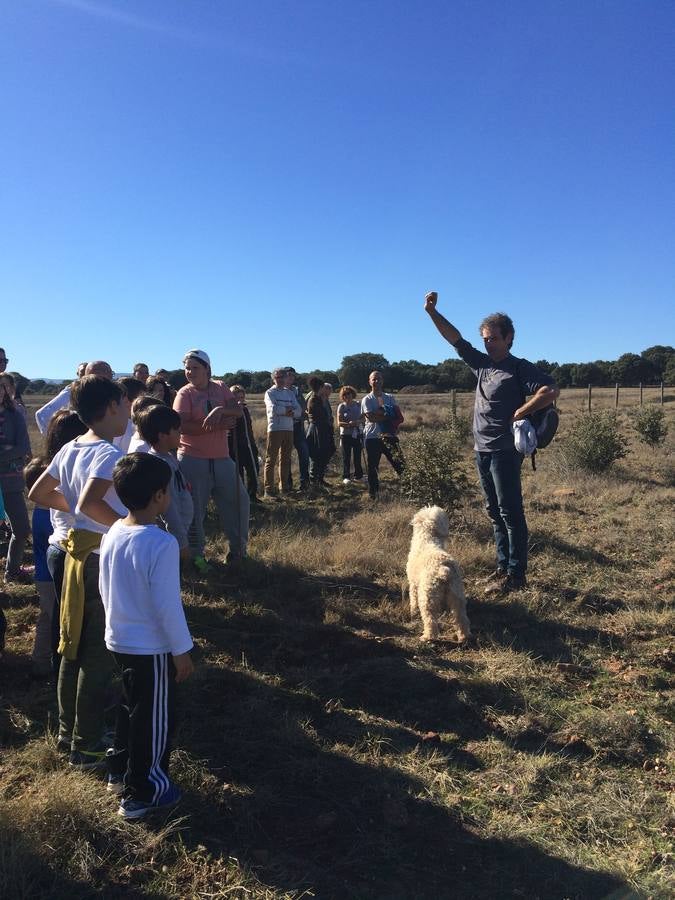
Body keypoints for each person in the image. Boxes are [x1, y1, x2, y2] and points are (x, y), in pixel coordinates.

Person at [424, 291, 559, 593]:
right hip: (481, 450)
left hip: (505, 451)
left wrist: (522, 411)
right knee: (494, 511)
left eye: (494, 338)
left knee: (510, 511)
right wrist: (432, 312)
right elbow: (455, 339)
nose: (488, 343)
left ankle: (516, 575)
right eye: (485, 339)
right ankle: (502, 568)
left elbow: (550, 390)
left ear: (509, 338)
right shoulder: (482, 365)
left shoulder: (519, 367)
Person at [28, 376, 130, 768]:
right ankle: (87, 746)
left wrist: (69, 505)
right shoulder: (106, 452)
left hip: (69, 554)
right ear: (110, 407)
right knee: (96, 653)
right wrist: (126, 525)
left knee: (69, 646)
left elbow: (38, 493)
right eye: (123, 406)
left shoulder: (71, 446)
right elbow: (91, 504)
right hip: (94, 558)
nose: (126, 415)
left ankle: (68, 732)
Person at [101, 453, 193, 819]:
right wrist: (181, 651)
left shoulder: (113, 532)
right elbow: (167, 605)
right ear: (159, 496)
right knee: (152, 718)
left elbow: (106, 586)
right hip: (150, 648)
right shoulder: (161, 544)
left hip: (119, 639)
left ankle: (119, 772)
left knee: (131, 708)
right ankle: (145, 791)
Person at [173, 349, 248, 568]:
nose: (189, 372)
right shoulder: (184, 394)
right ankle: (196, 556)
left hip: (222, 458)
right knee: (194, 511)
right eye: (187, 368)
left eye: (195, 368)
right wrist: (217, 425)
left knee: (238, 503)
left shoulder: (220, 387)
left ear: (207, 368)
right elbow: (181, 426)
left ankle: (239, 552)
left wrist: (219, 410)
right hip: (192, 459)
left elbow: (237, 411)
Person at [137, 404, 194, 557]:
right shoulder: (162, 467)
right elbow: (170, 511)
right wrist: (182, 544)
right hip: (172, 537)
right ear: (162, 435)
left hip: (179, 530)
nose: (180, 433)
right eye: (176, 430)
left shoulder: (169, 458)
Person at [0, 373, 32, 581]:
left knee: (21, 529)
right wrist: (9, 449)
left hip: (10, 480)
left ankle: (11, 572)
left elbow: (24, 447)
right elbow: (16, 448)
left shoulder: (15, 416)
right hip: (9, 470)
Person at [361, 371, 405, 500]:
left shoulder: (390, 397)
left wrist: (381, 414)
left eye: (379, 379)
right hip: (372, 437)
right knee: (373, 467)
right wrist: (387, 414)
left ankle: (410, 488)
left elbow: (396, 415)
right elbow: (371, 418)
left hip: (389, 436)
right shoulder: (367, 399)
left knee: (400, 463)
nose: (376, 381)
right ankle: (373, 494)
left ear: (382, 381)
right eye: (374, 379)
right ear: (370, 382)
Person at [262, 368, 301, 499]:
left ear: (286, 378)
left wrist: (286, 411)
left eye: (282, 377)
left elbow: (299, 411)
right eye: (277, 377)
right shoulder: (270, 392)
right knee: (270, 460)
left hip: (289, 429)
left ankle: (284, 488)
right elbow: (273, 409)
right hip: (275, 429)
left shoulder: (289, 393)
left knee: (285, 460)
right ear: (273, 379)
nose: (280, 380)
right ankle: (268, 490)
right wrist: (289, 410)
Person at [228, 385, 260, 503]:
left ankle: (252, 495)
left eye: (241, 397)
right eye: (236, 397)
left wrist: (252, 442)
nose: (239, 400)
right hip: (234, 445)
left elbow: (249, 427)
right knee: (238, 471)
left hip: (248, 444)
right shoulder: (229, 410)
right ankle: (241, 498)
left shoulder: (245, 409)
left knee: (253, 469)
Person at [35, 362, 87, 434]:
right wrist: (51, 437)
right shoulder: (71, 391)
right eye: (82, 372)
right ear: (78, 374)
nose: (86, 375)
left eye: (88, 372)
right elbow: (41, 414)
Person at [305, 376, 334, 487]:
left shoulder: (318, 398)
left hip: (322, 428)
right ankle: (315, 479)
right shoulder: (314, 399)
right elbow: (319, 416)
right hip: (317, 429)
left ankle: (319, 478)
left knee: (325, 452)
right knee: (317, 454)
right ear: (320, 387)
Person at [285, 367, 309, 491]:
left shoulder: (297, 390)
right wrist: (296, 411)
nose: (291, 378)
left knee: (304, 453)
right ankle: (287, 484)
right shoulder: (280, 390)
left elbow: (303, 405)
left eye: (293, 375)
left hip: (298, 426)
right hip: (285, 427)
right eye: (288, 375)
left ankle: (305, 483)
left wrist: (298, 412)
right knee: (286, 455)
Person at [336, 386, 364, 483]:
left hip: (357, 434)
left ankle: (358, 476)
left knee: (357, 456)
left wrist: (357, 422)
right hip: (345, 435)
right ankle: (346, 476)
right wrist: (349, 425)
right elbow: (339, 423)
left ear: (352, 394)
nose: (347, 396)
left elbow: (363, 419)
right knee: (346, 457)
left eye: (349, 393)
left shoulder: (358, 405)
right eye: (344, 394)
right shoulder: (342, 407)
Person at [114, 378, 146, 453]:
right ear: (127, 400)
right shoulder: (119, 426)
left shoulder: (136, 422)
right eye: (141, 398)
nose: (145, 401)